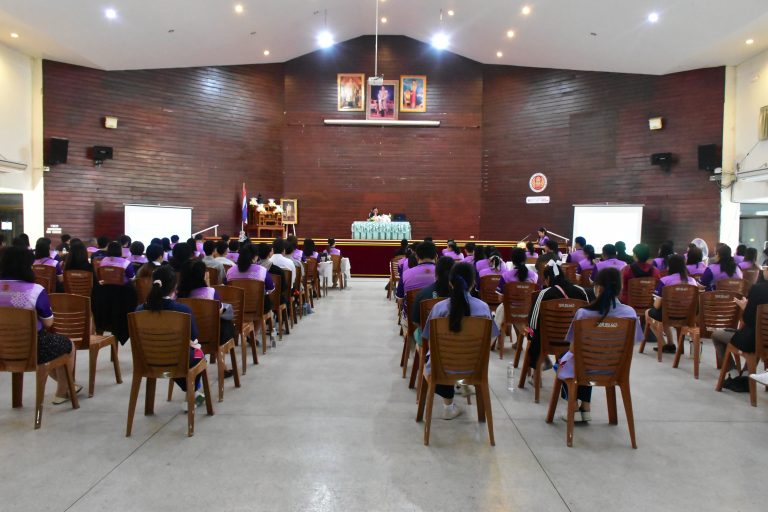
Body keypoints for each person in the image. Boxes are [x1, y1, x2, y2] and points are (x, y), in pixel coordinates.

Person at [556, 267, 643, 423]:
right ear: (620, 288)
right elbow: (633, 343)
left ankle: (574, 406)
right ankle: (586, 407)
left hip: (585, 368)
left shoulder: (584, 313)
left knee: (565, 360)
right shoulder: (630, 313)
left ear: (597, 288)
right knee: (585, 359)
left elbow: (573, 349)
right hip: (615, 370)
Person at [0, 246, 80, 404]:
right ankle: (62, 392)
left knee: (53, 345)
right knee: (67, 345)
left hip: (2, 348)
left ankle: (69, 386)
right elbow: (48, 322)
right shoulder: (35, 290)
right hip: (31, 348)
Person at [421, 262, 500, 419]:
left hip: (441, 369)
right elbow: (491, 338)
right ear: (473, 283)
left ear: (451, 283)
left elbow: (431, 343)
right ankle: (460, 385)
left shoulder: (439, 308)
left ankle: (448, 406)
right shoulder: (484, 308)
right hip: (474, 368)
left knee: (433, 357)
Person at [136, 265, 206, 410]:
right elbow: (194, 336)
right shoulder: (183, 310)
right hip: (177, 359)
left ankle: (192, 392)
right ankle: (192, 392)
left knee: (176, 354)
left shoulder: (139, 310)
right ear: (174, 287)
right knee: (198, 352)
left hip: (148, 358)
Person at [526, 260, 589, 371]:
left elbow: (533, 322)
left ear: (548, 279)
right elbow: (587, 318)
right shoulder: (581, 291)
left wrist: (531, 336)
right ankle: (562, 363)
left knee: (533, 333)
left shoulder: (544, 293)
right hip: (574, 341)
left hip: (549, 341)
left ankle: (542, 364)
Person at [712, 264, 768, 373]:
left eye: (766, 268)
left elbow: (748, 320)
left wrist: (745, 308)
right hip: (764, 340)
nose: (764, 270)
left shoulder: (757, 289)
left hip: (754, 340)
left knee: (716, 335)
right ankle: (747, 373)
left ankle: (732, 372)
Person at [177, 259, 236, 354]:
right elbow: (219, 312)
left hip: (187, 339)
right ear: (203, 275)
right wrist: (207, 287)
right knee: (226, 316)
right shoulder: (211, 292)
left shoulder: (178, 296)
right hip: (209, 337)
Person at [645, 254, 698, 354]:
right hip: (687, 316)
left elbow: (657, 305)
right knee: (664, 314)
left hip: (669, 315)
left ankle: (666, 344)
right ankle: (670, 345)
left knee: (649, 313)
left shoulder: (664, 280)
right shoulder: (693, 281)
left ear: (670, 266)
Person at [396, 241, 437, 310]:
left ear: (416, 256)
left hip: (412, 313)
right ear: (436, 256)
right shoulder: (443, 273)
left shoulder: (405, 274)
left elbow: (400, 299)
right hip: (436, 314)